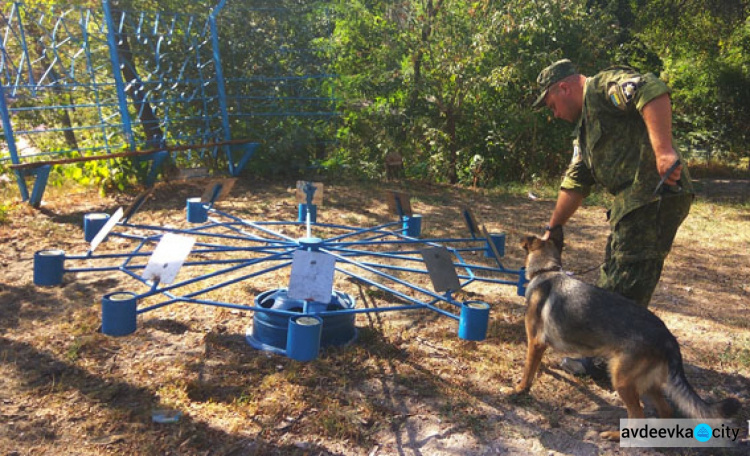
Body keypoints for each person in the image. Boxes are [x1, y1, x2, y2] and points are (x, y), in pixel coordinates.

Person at [532, 59, 694, 377]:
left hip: (654, 196)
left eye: (552, 104)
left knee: (626, 284)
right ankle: (607, 353)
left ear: (563, 88)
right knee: (613, 278)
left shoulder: (603, 88)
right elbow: (575, 183)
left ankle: (615, 362)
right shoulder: (584, 131)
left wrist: (663, 152)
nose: (555, 114)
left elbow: (651, 89)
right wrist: (553, 228)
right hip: (631, 207)